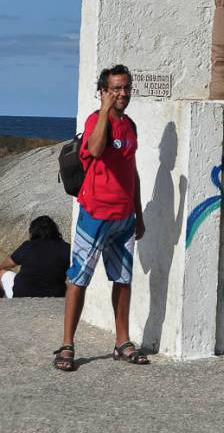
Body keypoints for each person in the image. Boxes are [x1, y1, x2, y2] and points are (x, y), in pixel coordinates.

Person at [54, 64, 149, 371]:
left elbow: (131, 171)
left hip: (123, 217)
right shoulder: (97, 120)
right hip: (94, 214)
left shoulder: (131, 126)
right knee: (78, 278)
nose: (122, 94)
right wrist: (105, 111)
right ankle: (67, 345)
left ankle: (122, 342)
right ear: (104, 92)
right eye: (115, 89)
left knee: (123, 280)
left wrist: (138, 213)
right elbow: (94, 150)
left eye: (125, 88)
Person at [0, 216, 70, 299]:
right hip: (55, 295)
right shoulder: (65, 248)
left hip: (21, 295)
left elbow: (6, 265)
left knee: (1, 272)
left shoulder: (28, 245)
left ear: (33, 232)